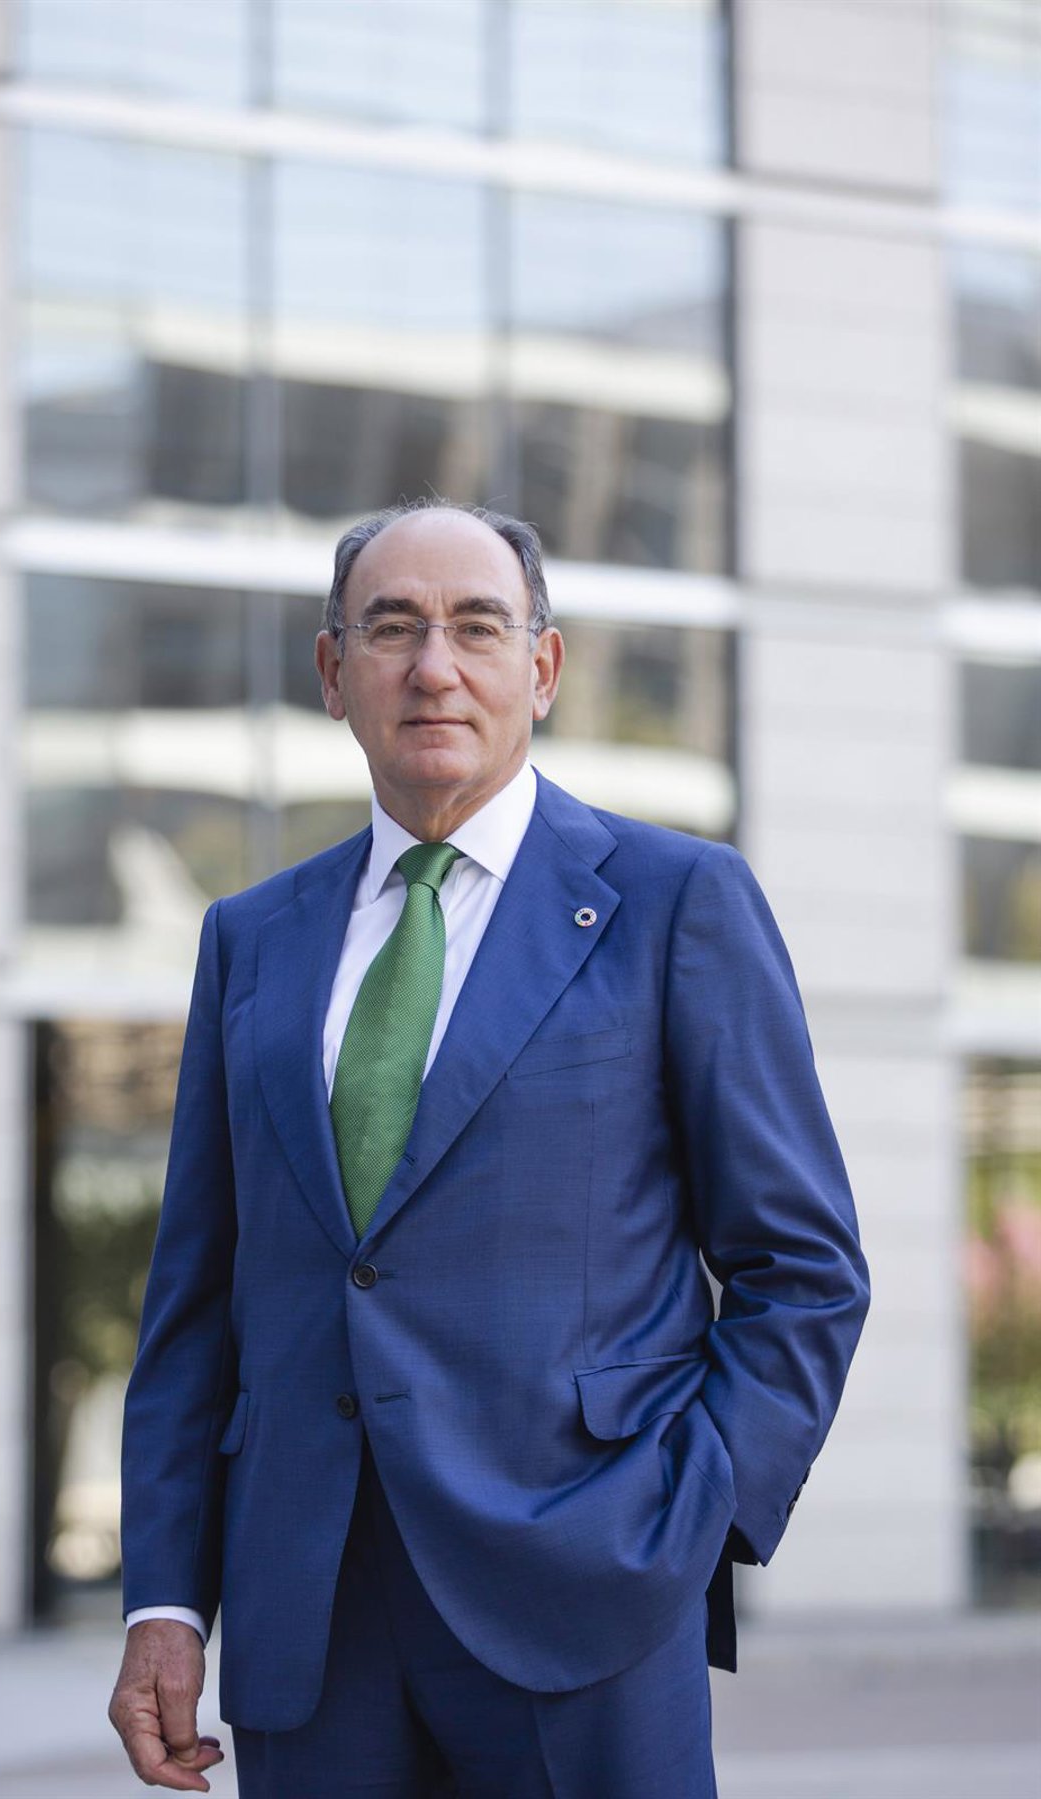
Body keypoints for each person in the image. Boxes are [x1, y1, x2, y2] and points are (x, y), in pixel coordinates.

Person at [109, 501, 869, 1798]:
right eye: (392, 628)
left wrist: (689, 1517)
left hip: (588, 1597)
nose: (435, 667)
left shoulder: (676, 904)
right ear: (333, 672)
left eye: (477, 627)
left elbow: (803, 1266)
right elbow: (197, 1303)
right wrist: (166, 1601)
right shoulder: (251, 940)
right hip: (309, 1618)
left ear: (543, 667)